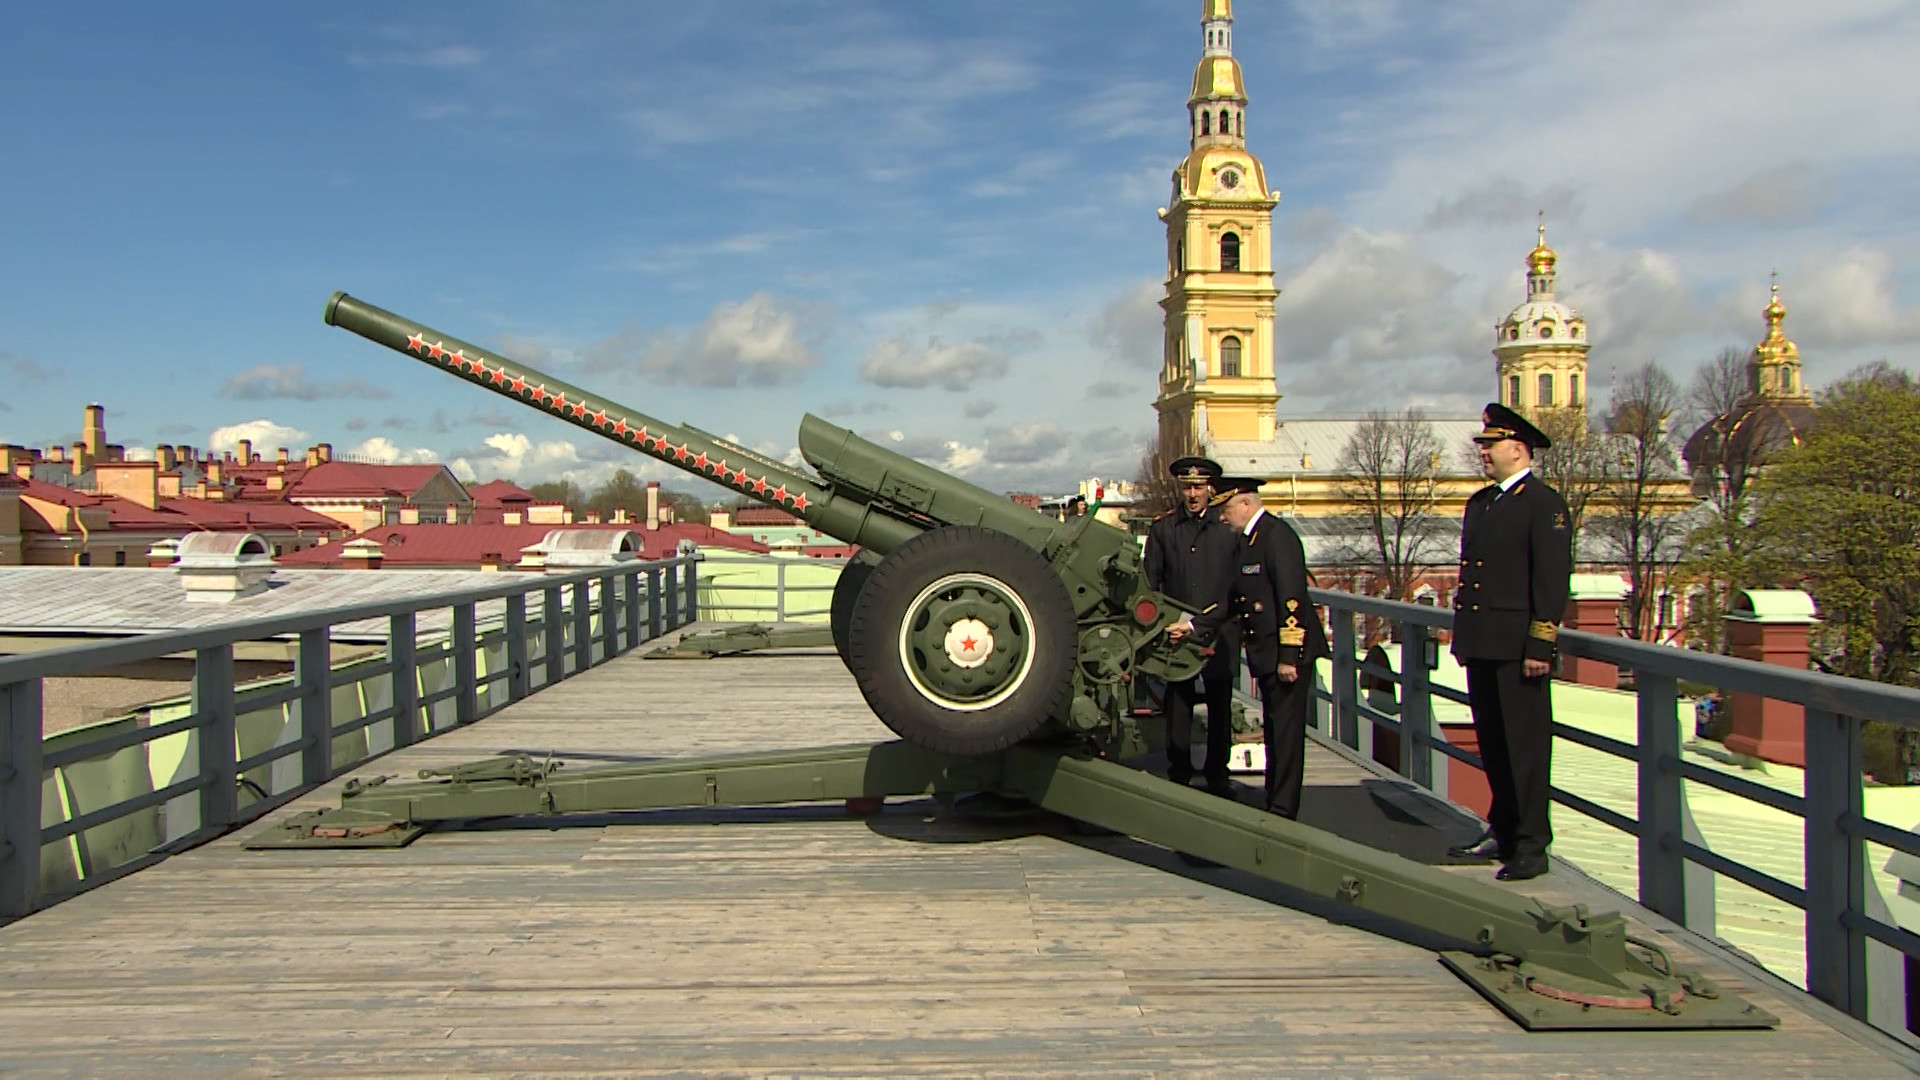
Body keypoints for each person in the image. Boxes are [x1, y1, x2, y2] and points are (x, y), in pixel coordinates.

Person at [1446, 404, 1573, 882]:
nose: (1483, 453)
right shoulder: (1481, 503)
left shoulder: (1544, 505)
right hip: (1483, 642)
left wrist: (1541, 643)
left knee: (1525, 749)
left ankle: (1531, 845)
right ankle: (1501, 829)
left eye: (1491, 446)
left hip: (1519, 648)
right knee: (1495, 746)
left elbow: (1550, 577)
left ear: (1517, 450)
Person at [1172, 476, 1327, 818]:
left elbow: (1292, 599)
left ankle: (1284, 806)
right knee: (1274, 727)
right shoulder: (1247, 542)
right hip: (1266, 652)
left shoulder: (1276, 537)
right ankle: (1275, 797)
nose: (1222, 517)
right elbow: (1230, 600)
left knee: (1286, 732)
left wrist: (1289, 656)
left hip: (1286, 652)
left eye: (1226, 509)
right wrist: (1192, 627)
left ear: (1246, 503)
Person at [1143, 456, 1240, 795]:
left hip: (1220, 629)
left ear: (1210, 489)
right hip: (1176, 631)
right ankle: (1179, 771)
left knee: (1220, 703)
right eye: (1187, 487)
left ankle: (1217, 771)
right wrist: (1162, 624)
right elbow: (1151, 582)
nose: (1193, 494)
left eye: (1198, 487)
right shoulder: (1164, 529)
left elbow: (1237, 583)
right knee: (1178, 702)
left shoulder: (1228, 529)